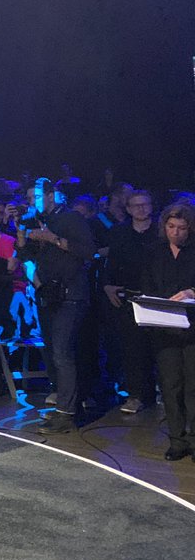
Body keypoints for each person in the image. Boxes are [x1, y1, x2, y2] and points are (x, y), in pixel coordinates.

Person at [23, 179, 97, 434]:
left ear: (53, 196)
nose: (33, 202)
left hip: (71, 295)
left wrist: (52, 238)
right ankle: (64, 405)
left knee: (63, 352)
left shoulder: (71, 219)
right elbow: (24, 255)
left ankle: (68, 413)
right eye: (30, 198)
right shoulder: (37, 220)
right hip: (48, 294)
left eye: (38, 197)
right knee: (54, 351)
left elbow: (88, 252)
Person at [140, 203, 195, 461]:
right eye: (171, 227)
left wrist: (192, 293)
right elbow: (146, 287)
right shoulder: (154, 253)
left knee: (193, 386)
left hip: (192, 328)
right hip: (164, 328)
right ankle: (177, 440)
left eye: (182, 228)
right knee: (170, 385)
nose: (176, 233)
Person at [103, 190, 161, 414]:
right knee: (132, 349)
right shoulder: (119, 232)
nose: (141, 209)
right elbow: (111, 262)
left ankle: (162, 392)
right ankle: (136, 395)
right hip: (129, 296)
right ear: (128, 209)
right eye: (136, 205)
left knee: (159, 348)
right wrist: (107, 286)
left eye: (144, 204)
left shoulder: (160, 232)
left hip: (157, 297)